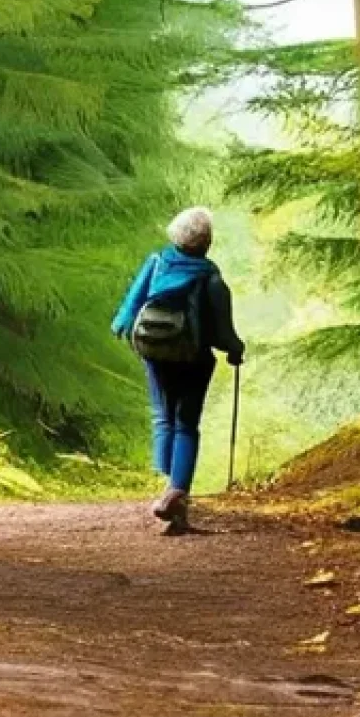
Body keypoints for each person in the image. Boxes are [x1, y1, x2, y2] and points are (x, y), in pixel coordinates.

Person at [111, 207, 244, 534]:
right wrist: (235, 350)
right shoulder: (211, 278)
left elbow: (128, 311)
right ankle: (176, 491)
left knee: (162, 416)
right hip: (193, 360)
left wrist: (129, 333)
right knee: (186, 423)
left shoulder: (156, 263)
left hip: (154, 355)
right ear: (206, 243)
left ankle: (167, 484)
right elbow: (222, 333)